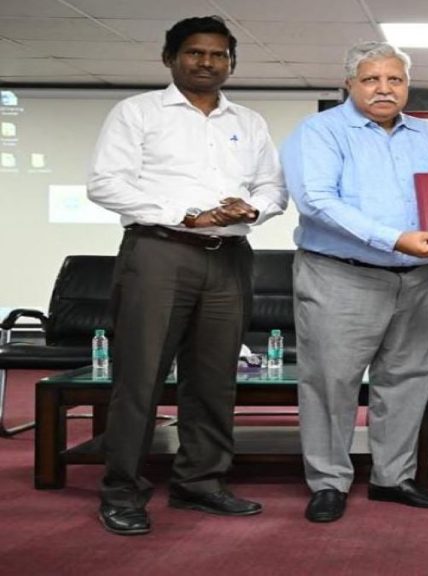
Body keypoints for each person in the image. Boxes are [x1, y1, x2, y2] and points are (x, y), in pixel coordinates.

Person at [86, 16, 288, 536]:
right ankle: (122, 492)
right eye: (195, 52)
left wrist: (253, 209)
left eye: (219, 55)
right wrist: (187, 215)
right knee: (140, 378)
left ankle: (200, 482)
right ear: (169, 58)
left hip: (230, 258)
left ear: (231, 63)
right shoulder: (137, 112)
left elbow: (274, 188)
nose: (207, 62)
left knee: (215, 379)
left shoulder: (249, 121)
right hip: (160, 252)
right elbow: (105, 184)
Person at [280, 41, 428, 523]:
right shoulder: (319, 132)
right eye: (371, 79)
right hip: (341, 275)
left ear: (407, 85)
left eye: (394, 79)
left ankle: (392, 478)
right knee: (330, 382)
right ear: (349, 84)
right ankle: (328, 482)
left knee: (408, 379)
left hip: (418, 279)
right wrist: (394, 238)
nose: (384, 88)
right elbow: (317, 200)